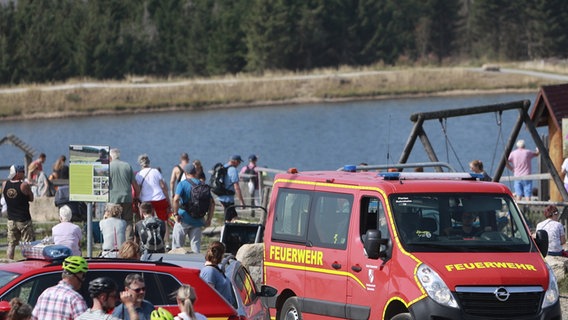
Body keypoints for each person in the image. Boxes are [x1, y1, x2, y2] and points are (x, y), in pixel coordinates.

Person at [171, 163, 214, 253]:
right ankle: (196, 265)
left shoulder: (182, 184)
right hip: (198, 220)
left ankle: (177, 265)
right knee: (196, 248)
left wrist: (175, 214)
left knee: (177, 248)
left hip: (182, 219)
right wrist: (209, 219)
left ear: (185, 173)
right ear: (195, 173)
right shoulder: (202, 184)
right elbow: (212, 203)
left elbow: (175, 199)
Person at [136, 154, 172, 248]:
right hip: (159, 198)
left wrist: (138, 200)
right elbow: (163, 186)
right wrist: (168, 199)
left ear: (140, 164)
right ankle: (166, 242)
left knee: (146, 221)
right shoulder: (155, 171)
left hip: (146, 200)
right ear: (149, 162)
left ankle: (147, 241)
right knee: (163, 220)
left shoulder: (139, 175)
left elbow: (138, 189)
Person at [2, 165, 34, 260]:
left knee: (11, 244)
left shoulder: (4, 184)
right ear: (17, 173)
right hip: (24, 219)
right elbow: (31, 198)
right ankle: (28, 262)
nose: (24, 173)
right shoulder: (24, 185)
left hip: (11, 219)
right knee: (27, 244)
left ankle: (9, 261)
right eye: (22, 171)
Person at [109, 148, 140, 241]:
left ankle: (115, 242)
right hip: (127, 197)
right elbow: (134, 184)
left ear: (111, 156)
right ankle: (129, 243)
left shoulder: (108, 167)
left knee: (113, 221)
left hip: (113, 199)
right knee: (128, 221)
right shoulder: (127, 166)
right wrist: (137, 196)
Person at [217, 155, 245, 222]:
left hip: (221, 196)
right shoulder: (233, 170)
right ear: (235, 162)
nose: (239, 164)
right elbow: (236, 187)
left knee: (232, 217)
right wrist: (241, 201)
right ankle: (226, 231)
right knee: (230, 219)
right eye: (239, 162)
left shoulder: (224, 166)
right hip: (228, 199)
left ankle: (227, 229)